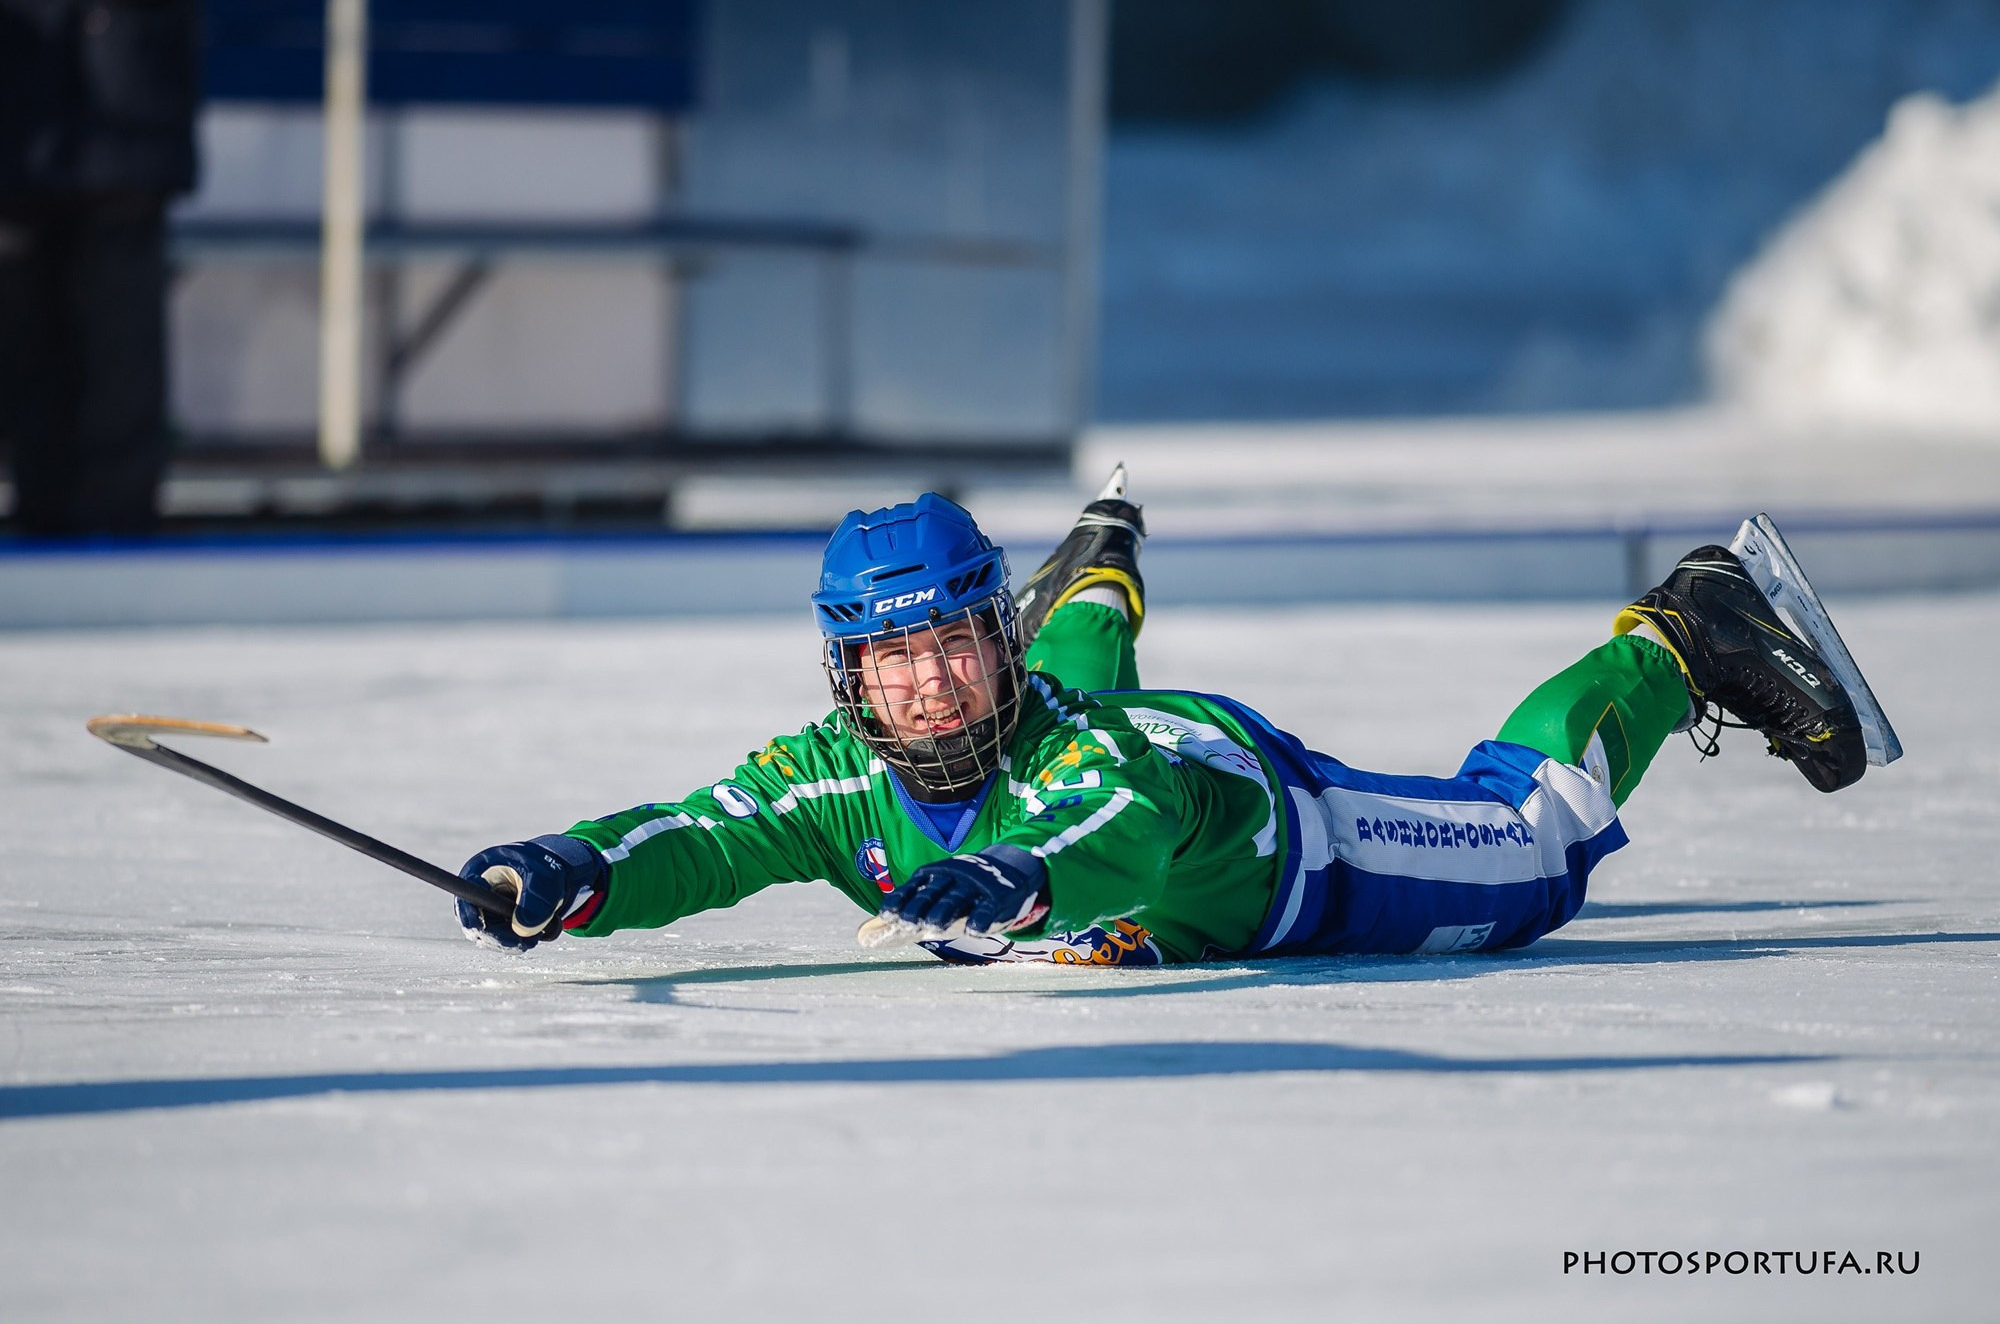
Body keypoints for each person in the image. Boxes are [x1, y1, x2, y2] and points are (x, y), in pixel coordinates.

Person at [454, 470, 1896, 966]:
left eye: (952, 643)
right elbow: (697, 835)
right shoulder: (834, 775)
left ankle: (1679, 630)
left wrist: (1023, 879)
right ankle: (1096, 588)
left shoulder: (1084, 762)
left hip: (1285, 854)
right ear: (847, 676)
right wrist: (578, 868)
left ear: (989, 635)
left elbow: (1118, 816)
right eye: (887, 661)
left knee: (1527, 851)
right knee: (1067, 707)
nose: (926, 685)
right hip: (1092, 759)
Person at [1, 0, 201, 537]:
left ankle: (118, 536)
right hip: (22, 122)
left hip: (123, 118)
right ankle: (43, 521)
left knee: (119, 350)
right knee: (28, 352)